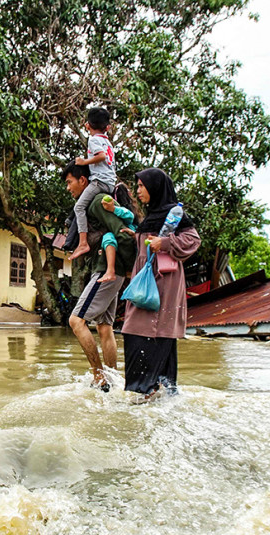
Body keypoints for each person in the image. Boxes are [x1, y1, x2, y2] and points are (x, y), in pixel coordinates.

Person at [122, 168, 201, 398]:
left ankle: (145, 390)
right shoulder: (152, 215)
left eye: (141, 186)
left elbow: (193, 240)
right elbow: (147, 242)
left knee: (146, 330)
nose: (137, 192)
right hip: (146, 279)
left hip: (162, 282)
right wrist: (134, 235)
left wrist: (164, 243)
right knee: (139, 329)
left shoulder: (174, 213)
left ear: (155, 188)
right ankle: (159, 390)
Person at [62, 161, 137, 391]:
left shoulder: (95, 202)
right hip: (111, 270)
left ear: (83, 180)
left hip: (107, 270)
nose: (68, 188)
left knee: (76, 321)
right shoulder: (93, 205)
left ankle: (99, 378)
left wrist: (121, 268)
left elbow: (124, 235)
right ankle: (113, 381)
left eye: (69, 182)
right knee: (104, 327)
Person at [66, 107, 117, 261]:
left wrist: (84, 161)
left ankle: (82, 243)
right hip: (110, 182)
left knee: (78, 207)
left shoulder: (94, 140)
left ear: (87, 125)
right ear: (107, 127)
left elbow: (100, 156)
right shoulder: (107, 142)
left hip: (99, 182)